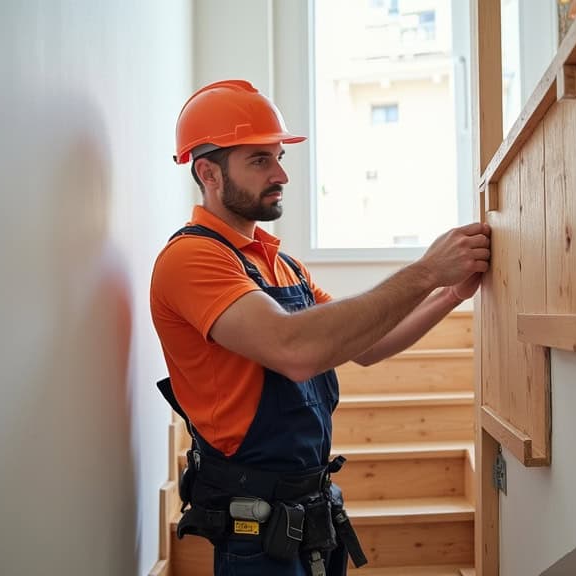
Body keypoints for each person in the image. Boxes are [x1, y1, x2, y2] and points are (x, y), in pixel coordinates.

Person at [150, 79, 490, 576]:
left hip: (310, 509)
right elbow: (294, 350)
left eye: (278, 157)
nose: (281, 174)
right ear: (209, 173)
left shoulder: (281, 265)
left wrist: (449, 294)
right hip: (254, 525)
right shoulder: (192, 259)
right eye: (260, 160)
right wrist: (425, 271)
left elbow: (369, 345)